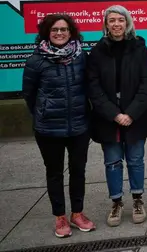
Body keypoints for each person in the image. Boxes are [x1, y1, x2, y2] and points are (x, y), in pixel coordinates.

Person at [22, 14, 95, 238]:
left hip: (79, 126)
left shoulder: (81, 57)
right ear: (47, 32)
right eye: (55, 30)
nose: (59, 33)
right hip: (49, 129)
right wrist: (44, 113)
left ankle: (77, 213)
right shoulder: (36, 61)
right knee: (54, 173)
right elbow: (29, 95)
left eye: (64, 29)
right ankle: (60, 216)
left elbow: (89, 86)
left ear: (71, 32)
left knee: (78, 171)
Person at [88, 5, 147, 227]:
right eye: (112, 20)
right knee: (112, 162)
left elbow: (146, 83)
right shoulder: (97, 52)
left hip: (136, 116)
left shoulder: (139, 48)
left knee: (135, 160)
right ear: (106, 24)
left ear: (127, 23)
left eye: (121, 20)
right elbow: (93, 87)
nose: (116, 24)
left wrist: (131, 113)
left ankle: (137, 199)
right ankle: (116, 202)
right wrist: (114, 114)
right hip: (108, 118)